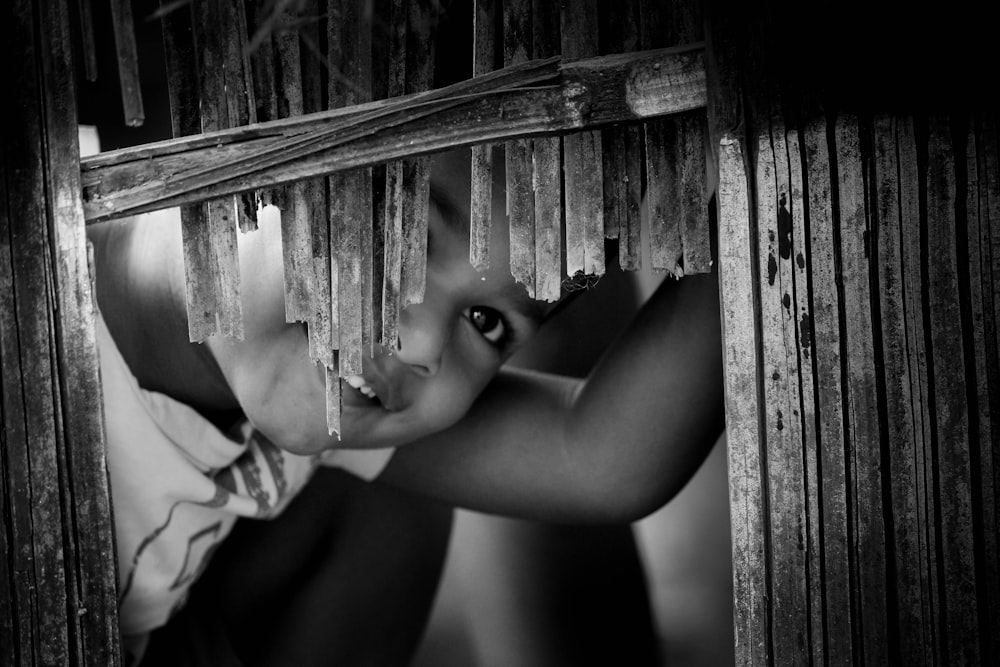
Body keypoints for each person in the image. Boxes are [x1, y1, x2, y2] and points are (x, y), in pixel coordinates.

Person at [88, 148, 724, 665]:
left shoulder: (306, 398)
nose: (422, 346)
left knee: (397, 506)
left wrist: (758, 167)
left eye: (487, 322)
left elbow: (599, 459)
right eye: (402, 239)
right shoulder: (41, 325)